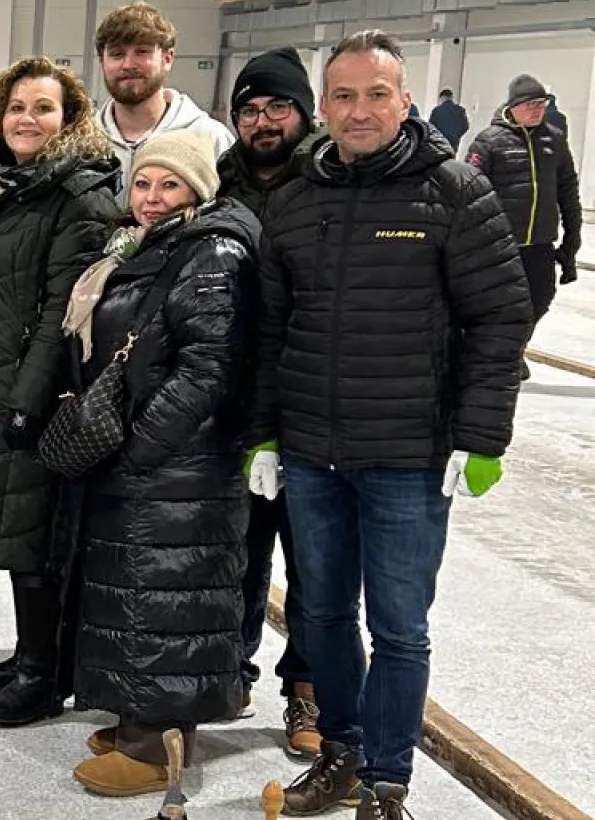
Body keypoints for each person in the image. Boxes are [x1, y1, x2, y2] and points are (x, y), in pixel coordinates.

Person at [255, 30, 530, 820]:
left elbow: (500, 316)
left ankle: (386, 781)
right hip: (312, 453)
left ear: (405, 100)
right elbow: (272, 328)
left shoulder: (452, 190)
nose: (359, 110)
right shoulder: (298, 198)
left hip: (410, 457)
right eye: (343, 95)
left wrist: (481, 436)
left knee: (401, 627)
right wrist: (265, 433)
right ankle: (339, 751)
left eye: (377, 94)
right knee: (320, 615)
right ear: (324, 106)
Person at [64, 128, 257, 798]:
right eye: (143, 182)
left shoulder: (212, 252)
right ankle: (136, 722)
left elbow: (209, 368)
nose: (151, 196)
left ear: (198, 191)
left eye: (169, 184)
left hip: (180, 465)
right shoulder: (149, 245)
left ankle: (154, 752)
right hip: (148, 460)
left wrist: (141, 446)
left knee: (165, 599)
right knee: (141, 595)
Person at [0, 56, 122, 729]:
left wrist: (28, 396)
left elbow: (62, 310)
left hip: (35, 389)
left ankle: (45, 675)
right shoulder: (6, 185)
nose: (27, 119)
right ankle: (30, 653)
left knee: (41, 538)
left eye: (43, 108)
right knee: (20, 534)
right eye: (16, 107)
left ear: (69, 118)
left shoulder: (76, 193)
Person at [215, 45, 322, 759]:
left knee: (314, 566)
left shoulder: (331, 185)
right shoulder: (216, 188)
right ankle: (233, 668)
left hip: (316, 408)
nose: (264, 120)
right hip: (236, 406)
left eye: (277, 106)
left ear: (302, 114)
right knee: (238, 555)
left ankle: (306, 690)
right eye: (250, 108)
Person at [467, 73, 581, 369]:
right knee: (499, 306)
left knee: (541, 298)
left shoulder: (554, 140)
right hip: (500, 245)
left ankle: (514, 350)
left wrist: (573, 237)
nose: (537, 109)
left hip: (539, 242)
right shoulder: (489, 142)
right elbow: (470, 194)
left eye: (542, 103)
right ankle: (497, 355)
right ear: (513, 106)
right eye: (530, 104)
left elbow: (568, 190)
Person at [92, 2, 234, 187]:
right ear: (102, 62)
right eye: (117, 54)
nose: (128, 64)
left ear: (167, 59)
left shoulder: (209, 138)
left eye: (142, 52)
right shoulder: (82, 141)